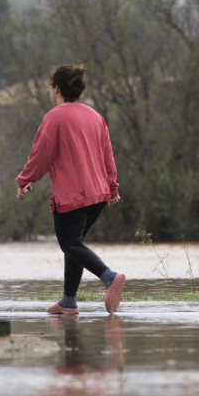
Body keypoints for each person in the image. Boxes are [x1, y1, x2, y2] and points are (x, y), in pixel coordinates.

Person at [16, 64, 125, 314]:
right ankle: (68, 301)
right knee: (74, 244)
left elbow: (41, 154)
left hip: (73, 197)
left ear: (56, 89)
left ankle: (109, 277)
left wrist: (24, 179)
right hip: (98, 197)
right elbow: (108, 155)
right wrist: (112, 186)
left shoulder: (55, 116)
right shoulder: (95, 116)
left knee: (71, 244)